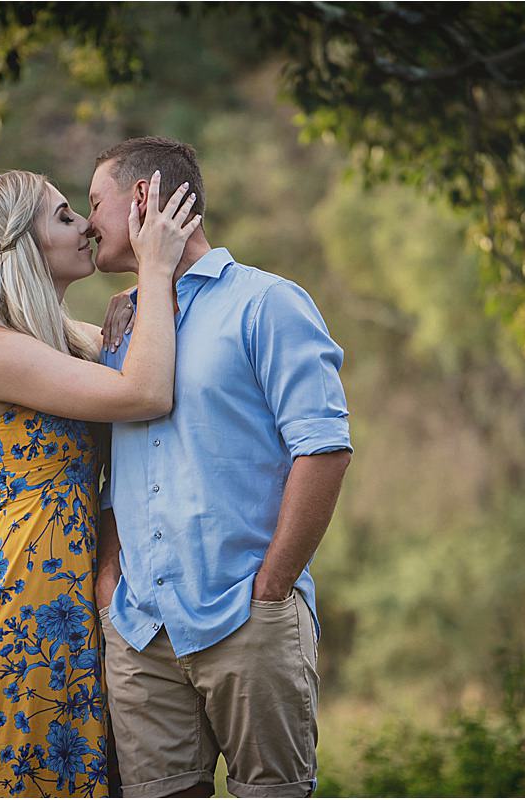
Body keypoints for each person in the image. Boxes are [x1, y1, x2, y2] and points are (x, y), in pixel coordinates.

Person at [0, 168, 200, 797]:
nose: (88, 226)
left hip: (73, 596)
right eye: (65, 216)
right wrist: (150, 271)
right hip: (17, 599)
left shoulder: (65, 343)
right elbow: (145, 391)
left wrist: (138, 305)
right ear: (19, 245)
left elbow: (140, 361)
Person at [87, 136, 353, 798]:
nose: (88, 224)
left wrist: (272, 588)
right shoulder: (122, 328)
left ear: (143, 198)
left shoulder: (267, 304)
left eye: (95, 203)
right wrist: (111, 578)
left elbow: (324, 448)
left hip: (247, 616)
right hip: (142, 630)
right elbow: (121, 458)